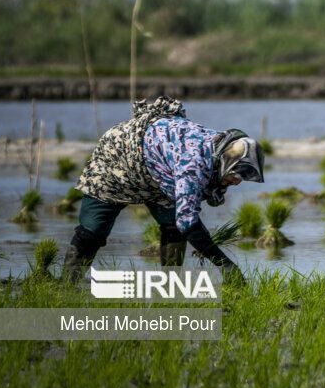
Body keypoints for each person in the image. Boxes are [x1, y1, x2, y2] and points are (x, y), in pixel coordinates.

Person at [62, 96, 263, 282]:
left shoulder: (217, 148)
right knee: (93, 230)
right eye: (236, 174)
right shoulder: (193, 164)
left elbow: (183, 221)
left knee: (173, 225)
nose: (237, 182)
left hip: (160, 172)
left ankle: (169, 285)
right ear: (226, 161)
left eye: (242, 178)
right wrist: (227, 266)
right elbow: (189, 222)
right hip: (119, 157)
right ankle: (67, 284)